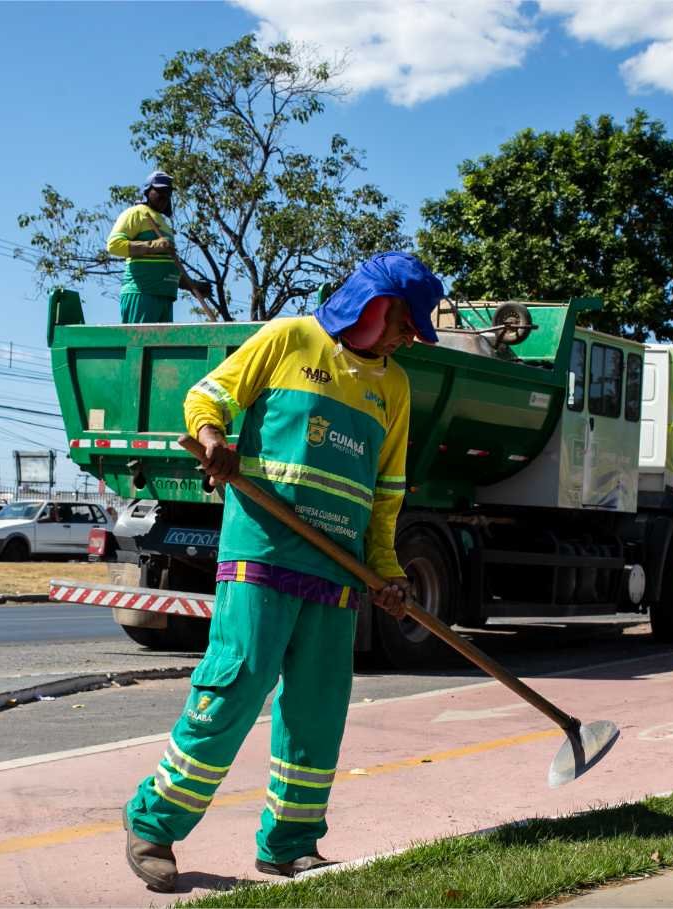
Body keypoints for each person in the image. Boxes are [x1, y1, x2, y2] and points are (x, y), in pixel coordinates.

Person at [121, 251, 445, 892]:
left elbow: (386, 492)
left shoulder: (395, 387)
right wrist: (212, 437)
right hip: (263, 550)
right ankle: (152, 824)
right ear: (374, 307)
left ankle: (291, 845)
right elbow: (208, 395)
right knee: (237, 683)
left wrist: (385, 570)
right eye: (407, 323)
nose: (410, 338)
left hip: (338, 567)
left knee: (318, 706)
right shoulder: (289, 338)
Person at [105, 170, 211, 324]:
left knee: (160, 341)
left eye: (168, 193)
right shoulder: (136, 213)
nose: (165, 196)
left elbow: (167, 266)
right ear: (147, 191)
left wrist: (191, 285)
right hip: (143, 292)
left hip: (165, 295)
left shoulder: (163, 223)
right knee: (140, 339)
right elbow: (114, 245)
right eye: (160, 191)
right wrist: (153, 245)